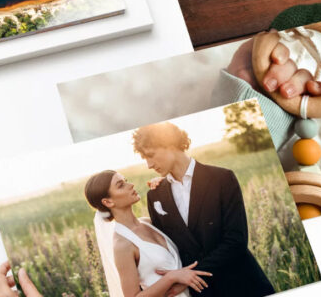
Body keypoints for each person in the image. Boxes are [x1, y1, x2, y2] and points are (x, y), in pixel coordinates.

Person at [133, 122, 275, 297]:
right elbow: (167, 249)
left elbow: (236, 240)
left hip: (241, 284)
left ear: (169, 144)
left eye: (151, 155)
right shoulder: (155, 196)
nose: (148, 164)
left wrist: (190, 276)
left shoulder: (222, 178)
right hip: (201, 292)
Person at [85, 170, 213, 297]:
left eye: (126, 181)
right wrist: (171, 277)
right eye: (121, 185)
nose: (131, 185)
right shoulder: (122, 244)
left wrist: (164, 186)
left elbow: (185, 232)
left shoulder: (148, 222)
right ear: (108, 202)